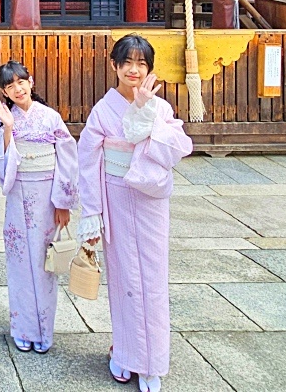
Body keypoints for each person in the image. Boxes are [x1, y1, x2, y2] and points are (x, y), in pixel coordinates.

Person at [77, 34, 193, 392]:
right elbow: (87, 161)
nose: (134, 70)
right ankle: (125, 353)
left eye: (141, 63)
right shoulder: (102, 110)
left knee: (153, 279)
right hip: (116, 194)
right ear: (114, 66)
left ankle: (153, 363)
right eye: (127, 62)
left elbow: (179, 146)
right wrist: (91, 213)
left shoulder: (161, 107)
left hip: (150, 200)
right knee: (125, 277)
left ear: (150, 69)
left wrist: (146, 113)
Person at [0, 60, 78, 354]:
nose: (17, 88)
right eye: (10, 86)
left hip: (48, 194)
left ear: (31, 82)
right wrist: (8, 128)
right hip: (19, 193)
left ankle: (44, 330)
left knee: (45, 264)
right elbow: (0, 158)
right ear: (4, 92)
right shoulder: (2, 120)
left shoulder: (50, 117)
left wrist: (64, 202)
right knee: (20, 262)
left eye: (21, 82)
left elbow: (68, 158)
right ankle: (23, 328)